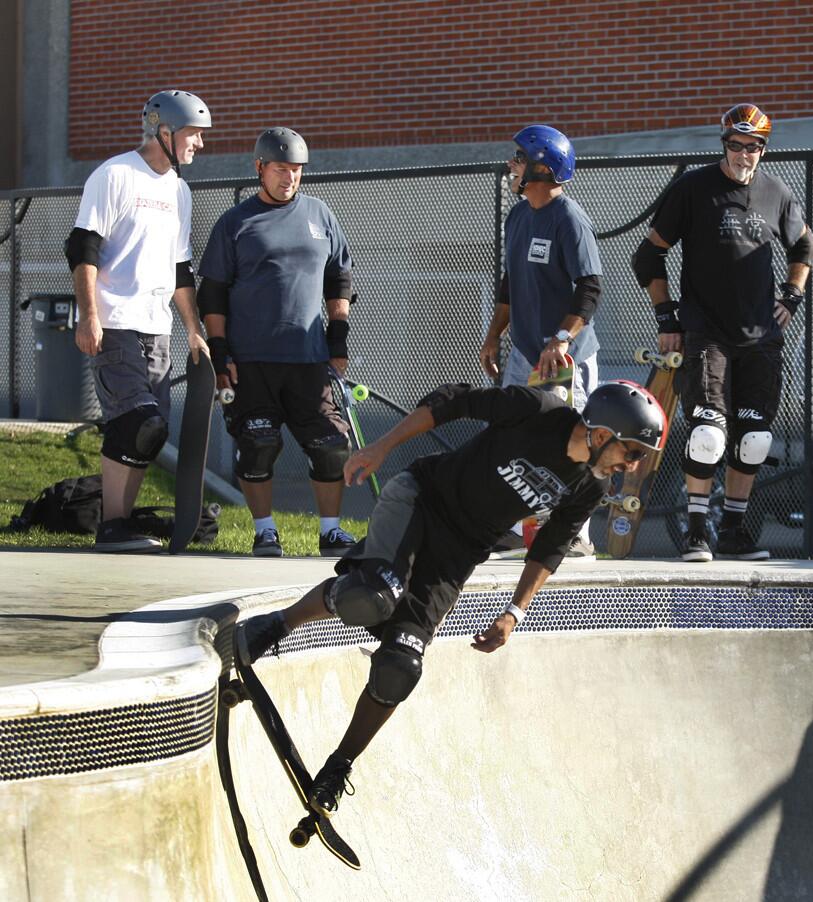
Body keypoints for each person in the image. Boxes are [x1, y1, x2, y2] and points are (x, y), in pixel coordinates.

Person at [234, 380, 667, 816]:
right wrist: (381, 447)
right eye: (630, 452)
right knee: (373, 594)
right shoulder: (538, 410)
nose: (631, 466)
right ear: (599, 434)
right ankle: (278, 624)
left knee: (402, 664)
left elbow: (549, 548)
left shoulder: (587, 488)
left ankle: (337, 766)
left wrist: (515, 613)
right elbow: (453, 401)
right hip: (422, 499)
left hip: (458, 554)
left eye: (639, 458)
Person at [631, 103, 813, 562]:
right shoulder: (693, 188)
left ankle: (733, 530)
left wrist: (791, 295)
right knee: (709, 433)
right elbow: (648, 256)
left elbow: (805, 244)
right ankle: (697, 531)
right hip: (706, 333)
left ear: (763, 150)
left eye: (753, 147)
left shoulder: (778, 193)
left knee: (753, 439)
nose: (743, 155)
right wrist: (667, 318)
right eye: (736, 145)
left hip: (761, 337)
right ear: (724, 144)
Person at [196, 128, 358, 558]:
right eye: (281, 169)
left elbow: (338, 278)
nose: (289, 178)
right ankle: (265, 531)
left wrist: (338, 339)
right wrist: (219, 353)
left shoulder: (320, 215)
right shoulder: (235, 222)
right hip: (250, 362)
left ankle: (330, 532)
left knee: (331, 446)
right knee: (259, 445)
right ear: (260, 169)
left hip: (309, 360)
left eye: (297, 171)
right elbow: (211, 293)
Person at [67, 89, 212, 553]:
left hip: (157, 327)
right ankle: (113, 525)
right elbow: (83, 247)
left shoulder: (179, 191)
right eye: (194, 135)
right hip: (114, 319)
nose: (200, 145)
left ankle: (119, 525)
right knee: (136, 422)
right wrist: (90, 316)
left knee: (152, 432)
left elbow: (180, 269)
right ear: (164, 133)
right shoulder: (114, 175)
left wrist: (192, 328)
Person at [479, 124, 603, 558]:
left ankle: (577, 532)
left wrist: (562, 339)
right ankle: (517, 528)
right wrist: (494, 336)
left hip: (565, 357)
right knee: (513, 436)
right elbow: (510, 284)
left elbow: (589, 288)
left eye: (517, 159)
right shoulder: (517, 216)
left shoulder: (569, 219)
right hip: (525, 354)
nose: (511, 166)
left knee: (572, 441)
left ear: (542, 168)